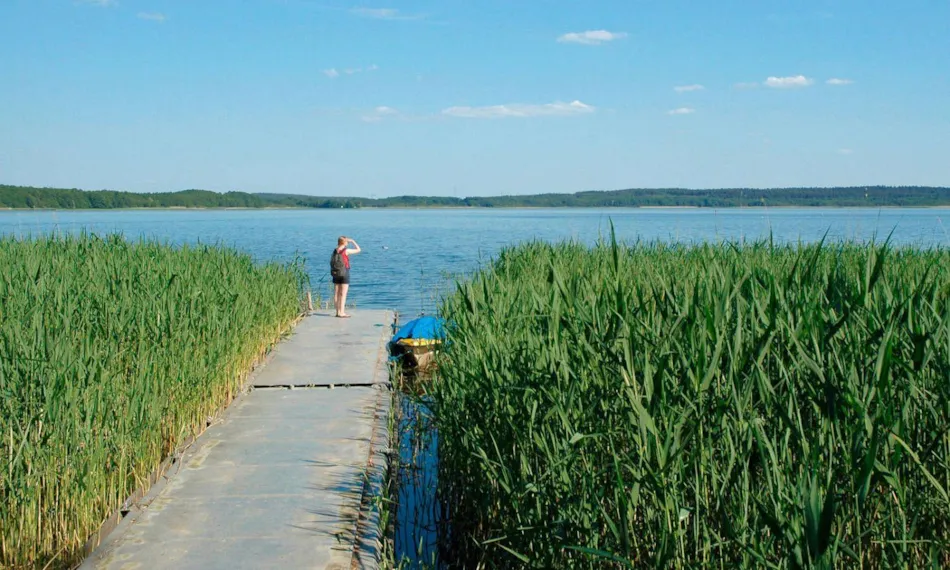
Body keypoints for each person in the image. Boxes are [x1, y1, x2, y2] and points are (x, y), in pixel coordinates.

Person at [331, 236, 361, 318]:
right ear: (344, 242)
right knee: (343, 294)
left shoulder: (335, 250)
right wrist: (353, 241)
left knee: (336, 293)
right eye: (347, 241)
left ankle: (337, 312)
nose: (348, 242)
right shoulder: (346, 250)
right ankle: (342, 312)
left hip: (336, 273)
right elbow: (359, 250)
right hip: (344, 273)